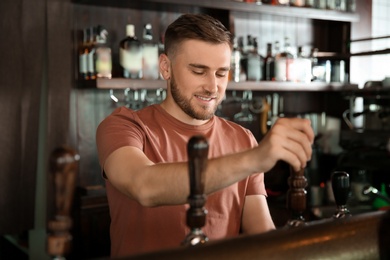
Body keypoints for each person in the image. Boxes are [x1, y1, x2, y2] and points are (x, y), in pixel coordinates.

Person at [96, 13, 314, 258]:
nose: (212, 87)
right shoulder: (124, 126)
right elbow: (144, 185)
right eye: (199, 71)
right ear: (166, 67)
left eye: (221, 73)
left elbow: (262, 237)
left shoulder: (243, 140)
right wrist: (254, 159)